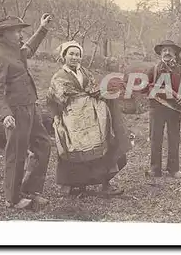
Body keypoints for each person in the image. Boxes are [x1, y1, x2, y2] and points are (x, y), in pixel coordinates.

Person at [46, 41, 131, 197]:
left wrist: (104, 91)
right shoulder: (58, 76)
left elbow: (94, 89)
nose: (74, 57)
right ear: (64, 56)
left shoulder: (85, 72)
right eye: (71, 54)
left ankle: (105, 183)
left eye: (77, 55)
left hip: (92, 117)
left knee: (101, 146)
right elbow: (55, 98)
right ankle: (76, 185)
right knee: (74, 150)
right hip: (72, 120)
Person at [0, 13, 54, 210]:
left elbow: (30, 49)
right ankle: (13, 198)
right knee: (16, 154)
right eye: (17, 31)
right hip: (15, 113)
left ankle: (31, 190)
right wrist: (5, 114)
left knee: (43, 145)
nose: (20, 34)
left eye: (20, 31)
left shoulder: (15, 51)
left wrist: (43, 29)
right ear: (5, 34)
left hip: (31, 108)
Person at [143, 40, 181, 179]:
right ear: (160, 53)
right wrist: (151, 87)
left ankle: (173, 169)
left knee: (174, 138)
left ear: (175, 54)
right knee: (155, 138)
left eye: (170, 51)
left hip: (174, 110)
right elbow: (143, 87)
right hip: (157, 108)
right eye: (164, 50)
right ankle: (155, 169)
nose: (167, 53)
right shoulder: (153, 70)